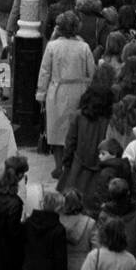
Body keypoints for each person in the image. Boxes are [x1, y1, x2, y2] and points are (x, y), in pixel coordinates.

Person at [36, 11, 95, 179]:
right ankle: (71, 167)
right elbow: (91, 72)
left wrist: (41, 94)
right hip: (78, 91)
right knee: (74, 130)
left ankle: (58, 166)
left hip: (57, 90)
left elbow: (45, 71)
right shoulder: (84, 47)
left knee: (56, 130)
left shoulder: (52, 46)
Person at [58, 83, 114, 210]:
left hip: (78, 169)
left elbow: (70, 142)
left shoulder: (78, 116)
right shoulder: (110, 119)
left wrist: (66, 163)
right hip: (101, 169)